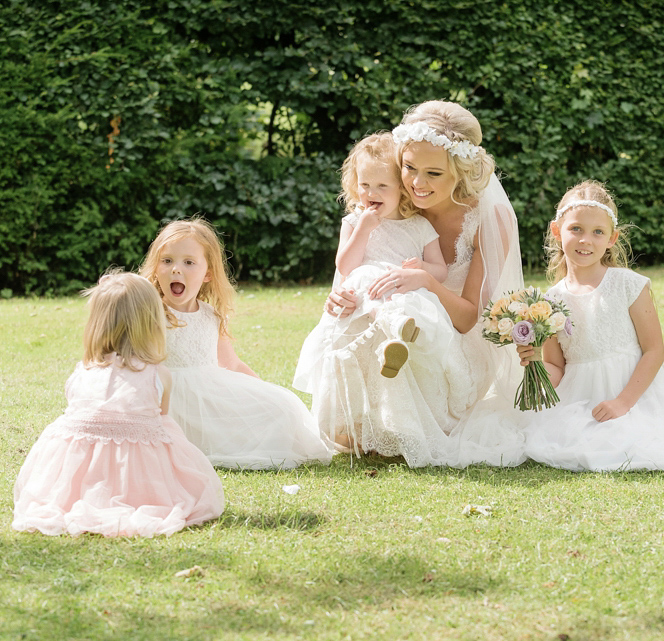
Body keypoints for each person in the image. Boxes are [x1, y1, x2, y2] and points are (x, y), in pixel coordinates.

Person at [319, 101, 526, 467]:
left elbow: (466, 320)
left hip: (456, 344)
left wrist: (427, 280)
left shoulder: (488, 218)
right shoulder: (391, 204)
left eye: (434, 173)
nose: (417, 183)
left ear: (460, 173)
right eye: (409, 168)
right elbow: (354, 269)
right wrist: (339, 298)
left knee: (405, 334)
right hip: (390, 321)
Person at [517, 181, 664, 472]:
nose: (586, 240)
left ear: (612, 238)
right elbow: (557, 368)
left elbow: (653, 351)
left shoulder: (628, 285)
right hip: (581, 398)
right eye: (576, 229)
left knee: (631, 444)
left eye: (598, 232)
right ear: (557, 231)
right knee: (570, 443)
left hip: (634, 395)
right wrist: (534, 362)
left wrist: (622, 403)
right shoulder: (550, 301)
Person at [12, 271, 224, 537]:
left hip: (78, 470)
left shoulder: (84, 370)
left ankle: (84, 497)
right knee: (154, 440)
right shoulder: (159, 375)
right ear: (152, 323)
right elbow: (164, 426)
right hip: (135, 468)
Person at [295, 133, 456, 449]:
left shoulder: (418, 225)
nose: (371, 193)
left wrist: (419, 269)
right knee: (356, 361)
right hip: (362, 302)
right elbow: (346, 266)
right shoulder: (355, 221)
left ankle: (404, 425)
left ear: (401, 188)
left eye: (382, 186)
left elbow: (441, 270)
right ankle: (349, 428)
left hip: (403, 294)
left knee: (400, 374)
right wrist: (364, 229)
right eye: (365, 185)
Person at [141, 219, 337, 469]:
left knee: (281, 410)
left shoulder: (210, 315)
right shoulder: (150, 311)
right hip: (166, 400)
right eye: (167, 260)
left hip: (209, 396)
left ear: (208, 273)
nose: (176, 269)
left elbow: (231, 362)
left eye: (188, 262)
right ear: (156, 267)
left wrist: (264, 392)